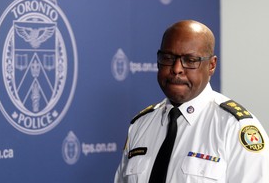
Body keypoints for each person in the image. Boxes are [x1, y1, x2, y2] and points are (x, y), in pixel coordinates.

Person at [114, 20, 269, 182]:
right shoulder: (140, 125)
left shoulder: (234, 128)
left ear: (211, 65)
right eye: (168, 58)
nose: (176, 69)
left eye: (190, 60)